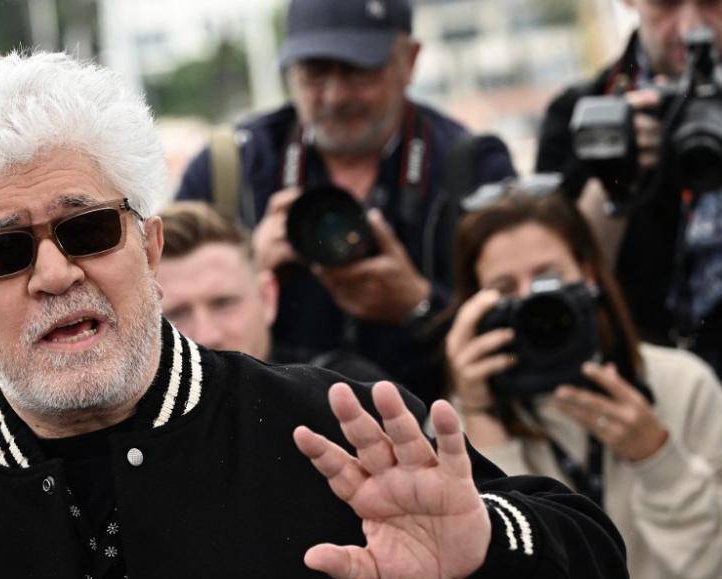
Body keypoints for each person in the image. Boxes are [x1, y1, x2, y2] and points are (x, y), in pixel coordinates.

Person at [0, 51, 629, 579]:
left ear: (148, 247)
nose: (54, 274)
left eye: (87, 230)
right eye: (2, 252)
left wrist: (484, 556)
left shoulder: (337, 432)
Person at [176, 0, 516, 403]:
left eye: (358, 70)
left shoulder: (471, 169)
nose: (335, 96)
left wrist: (420, 306)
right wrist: (247, 272)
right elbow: (164, 329)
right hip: (268, 423)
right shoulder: (229, 172)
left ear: (409, 61)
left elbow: (524, 333)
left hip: (438, 421)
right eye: (314, 72)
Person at [444, 180, 722, 579]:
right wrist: (482, 422)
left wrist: (657, 458)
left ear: (589, 274)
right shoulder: (454, 425)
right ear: (476, 305)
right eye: (504, 288)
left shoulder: (679, 385)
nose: (534, 300)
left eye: (549, 278)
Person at [536, 0, 722, 376]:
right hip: (637, 372)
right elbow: (558, 283)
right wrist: (614, 177)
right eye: (666, 4)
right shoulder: (578, 114)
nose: (690, 28)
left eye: (711, 3)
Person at [157, 201, 388, 381]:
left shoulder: (344, 392)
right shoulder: (140, 422)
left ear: (267, 297)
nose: (206, 336)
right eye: (177, 313)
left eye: (223, 304)